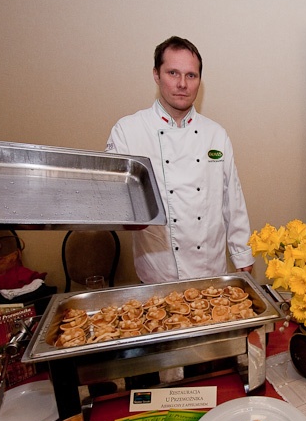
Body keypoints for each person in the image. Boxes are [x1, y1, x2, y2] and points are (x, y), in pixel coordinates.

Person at [106, 36, 254, 283]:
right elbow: (113, 199)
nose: (182, 84)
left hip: (211, 273)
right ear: (156, 75)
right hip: (158, 274)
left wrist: (242, 254)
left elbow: (233, 200)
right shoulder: (128, 131)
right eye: (173, 73)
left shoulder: (215, 134)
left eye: (191, 75)